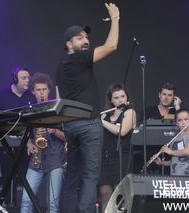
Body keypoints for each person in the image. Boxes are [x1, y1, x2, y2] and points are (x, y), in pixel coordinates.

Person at [54, 3, 119, 212]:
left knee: (72, 174)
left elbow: (58, 99)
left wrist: (64, 125)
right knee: (91, 175)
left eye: (86, 37)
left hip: (71, 126)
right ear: (69, 44)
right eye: (80, 37)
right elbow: (111, 46)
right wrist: (115, 19)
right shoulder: (80, 58)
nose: (86, 40)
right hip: (89, 124)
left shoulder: (61, 67)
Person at [20, 72, 66, 213]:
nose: (42, 93)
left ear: (49, 90)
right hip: (36, 159)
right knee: (26, 201)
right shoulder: (30, 110)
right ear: (33, 91)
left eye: (44, 89)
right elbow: (23, 132)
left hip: (55, 159)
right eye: (38, 90)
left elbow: (68, 137)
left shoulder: (58, 109)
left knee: (53, 204)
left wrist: (53, 131)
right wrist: (28, 143)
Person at [0, 66, 36, 206]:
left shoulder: (31, 97)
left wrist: (30, 141)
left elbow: (32, 122)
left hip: (25, 144)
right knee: (7, 178)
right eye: (24, 78)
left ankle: (23, 207)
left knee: (23, 179)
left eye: (29, 78)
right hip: (5, 144)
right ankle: (7, 207)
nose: (28, 80)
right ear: (15, 79)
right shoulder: (2, 95)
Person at [98, 83, 136, 212]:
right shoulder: (105, 114)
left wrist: (101, 121)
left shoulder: (130, 112)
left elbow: (122, 131)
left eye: (123, 96)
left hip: (122, 158)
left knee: (120, 195)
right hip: (106, 157)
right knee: (105, 193)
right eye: (116, 97)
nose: (120, 100)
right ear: (110, 100)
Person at [153, 108, 189, 176]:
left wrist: (170, 151)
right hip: (175, 177)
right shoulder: (175, 139)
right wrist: (161, 163)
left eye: (186, 119)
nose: (183, 122)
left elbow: (188, 151)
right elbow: (175, 160)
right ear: (176, 123)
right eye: (180, 120)